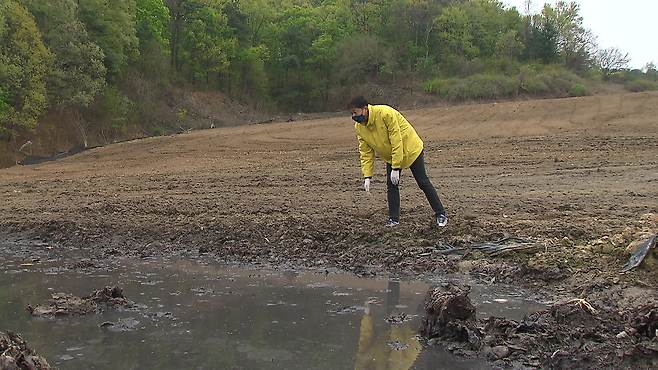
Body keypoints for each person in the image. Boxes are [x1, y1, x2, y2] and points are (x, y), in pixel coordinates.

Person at [349, 96, 447, 227]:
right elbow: (365, 152)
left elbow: (396, 140)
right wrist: (367, 175)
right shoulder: (359, 127)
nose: (353, 116)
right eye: (352, 113)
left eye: (355, 112)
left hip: (410, 149)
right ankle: (393, 219)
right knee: (392, 185)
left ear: (365, 109)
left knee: (423, 182)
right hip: (392, 155)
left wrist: (395, 168)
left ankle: (441, 214)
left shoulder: (385, 113)